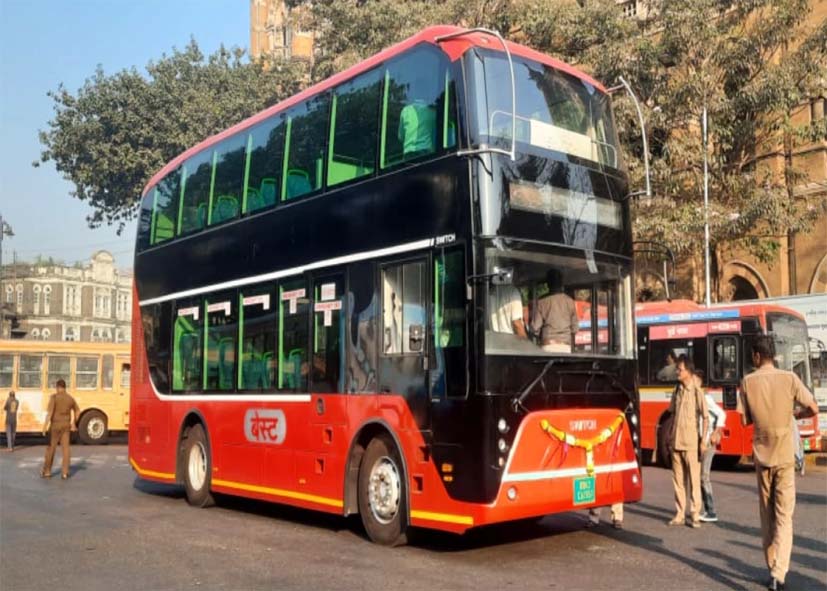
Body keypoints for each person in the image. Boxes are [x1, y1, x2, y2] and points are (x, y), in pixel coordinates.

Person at [737, 336, 818, 591]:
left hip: (762, 456)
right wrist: (795, 414)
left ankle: (771, 563)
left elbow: (743, 420)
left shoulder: (748, 382)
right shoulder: (789, 378)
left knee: (767, 515)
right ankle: (778, 572)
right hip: (784, 456)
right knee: (784, 516)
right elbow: (813, 408)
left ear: (758, 357)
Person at [667, 356, 708, 528]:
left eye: (680, 369)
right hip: (676, 441)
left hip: (691, 442)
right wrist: (669, 436)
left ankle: (695, 514)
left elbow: (705, 417)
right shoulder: (677, 390)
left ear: (689, 372)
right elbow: (672, 413)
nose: (677, 372)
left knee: (694, 480)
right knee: (678, 480)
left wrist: (703, 441)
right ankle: (679, 513)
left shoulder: (698, 392)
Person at [530, 269, 578, 353]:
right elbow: (575, 329)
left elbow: (535, 328)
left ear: (548, 284)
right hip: (565, 347)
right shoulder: (570, 301)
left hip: (548, 346)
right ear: (562, 283)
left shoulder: (542, 301)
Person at [41, 378, 80, 480]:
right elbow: (77, 411)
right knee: (66, 449)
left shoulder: (54, 398)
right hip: (66, 426)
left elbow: (49, 413)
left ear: (58, 387)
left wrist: (45, 426)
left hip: (55, 425)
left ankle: (47, 471)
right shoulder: (70, 398)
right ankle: (65, 473)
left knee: (51, 449)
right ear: (65, 387)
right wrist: (74, 423)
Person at [699, 377, 726, 522]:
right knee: (700, 476)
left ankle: (711, 511)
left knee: (704, 476)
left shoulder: (705, 398)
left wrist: (716, 431)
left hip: (709, 441)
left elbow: (722, 413)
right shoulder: (698, 398)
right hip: (702, 440)